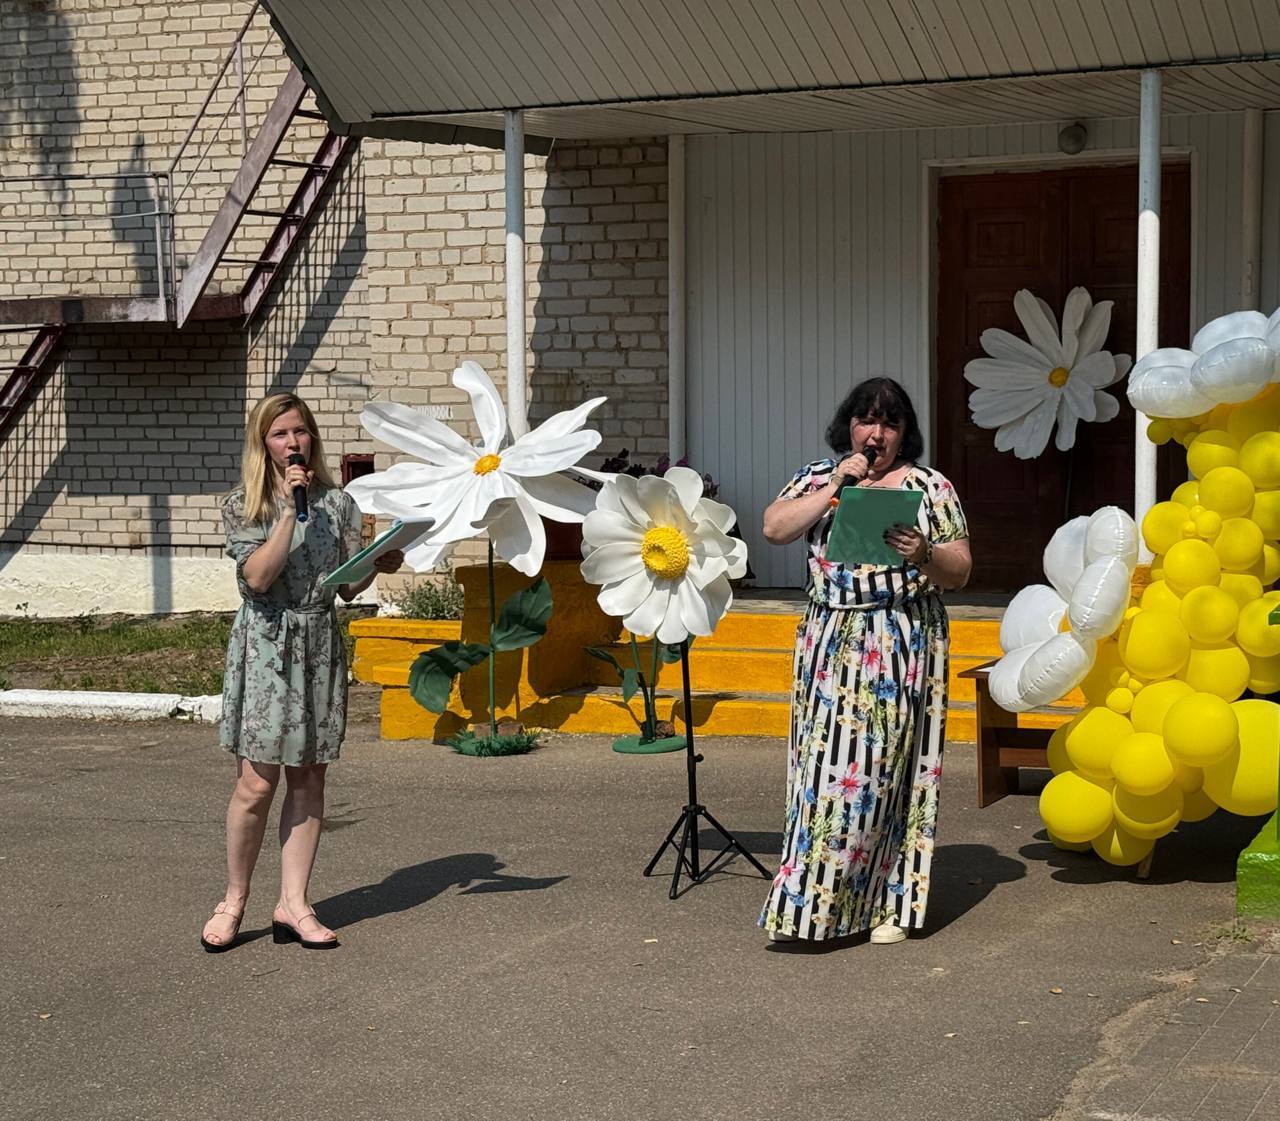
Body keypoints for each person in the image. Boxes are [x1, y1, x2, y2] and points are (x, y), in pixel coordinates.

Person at [758, 377, 971, 945]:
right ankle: (808, 910)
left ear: (905, 434)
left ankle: (888, 905)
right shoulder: (817, 477)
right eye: (866, 421)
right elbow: (774, 528)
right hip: (829, 641)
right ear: (848, 427)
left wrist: (923, 552)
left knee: (884, 776)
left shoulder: (929, 486)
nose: (876, 434)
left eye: (889, 424)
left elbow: (960, 570)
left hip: (898, 638)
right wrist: (835, 487)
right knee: (819, 777)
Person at [200, 393, 403, 952]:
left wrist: (379, 563)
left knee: (310, 778)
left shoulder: (339, 505)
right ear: (263, 444)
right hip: (267, 645)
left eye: (300, 431)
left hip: (317, 642)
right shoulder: (243, 505)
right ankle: (234, 899)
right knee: (256, 783)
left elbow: (345, 584)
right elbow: (258, 578)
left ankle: (294, 903)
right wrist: (289, 512)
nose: (293, 443)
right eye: (280, 434)